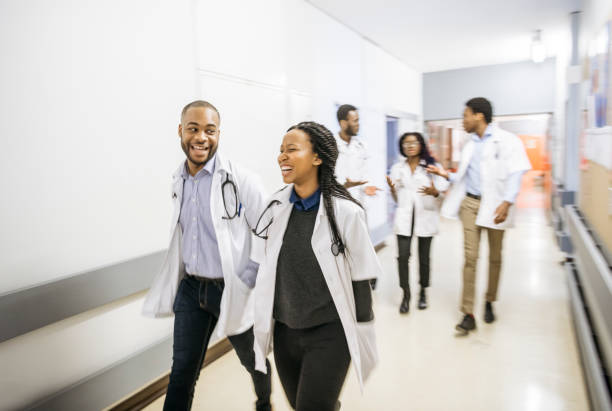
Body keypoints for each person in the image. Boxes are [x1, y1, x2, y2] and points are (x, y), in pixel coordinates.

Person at [142, 100, 272, 410]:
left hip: (231, 289)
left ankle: (264, 403)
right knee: (182, 373)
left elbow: (270, 230)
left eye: (209, 130)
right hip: (191, 289)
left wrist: (248, 276)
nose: (201, 137)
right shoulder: (179, 181)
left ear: (218, 134)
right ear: (181, 132)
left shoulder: (242, 179)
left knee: (254, 361)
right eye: (193, 129)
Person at [251, 121, 381, 411]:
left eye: (291, 149)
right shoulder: (275, 207)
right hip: (285, 333)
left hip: (330, 335)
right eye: (281, 151)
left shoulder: (346, 213)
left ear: (317, 157)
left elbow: (361, 280)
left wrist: (361, 336)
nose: (281, 157)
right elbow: (267, 269)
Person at [427, 97, 531, 335]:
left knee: (495, 257)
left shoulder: (507, 141)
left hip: (496, 206)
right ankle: (468, 313)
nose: (463, 120)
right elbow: (463, 176)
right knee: (470, 258)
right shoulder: (469, 144)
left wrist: (507, 201)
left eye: (465, 115)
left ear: (479, 116)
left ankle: (489, 300)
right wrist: (445, 174)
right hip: (470, 205)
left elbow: (516, 173)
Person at [386, 132, 449, 314]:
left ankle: (423, 292)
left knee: (424, 258)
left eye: (413, 142)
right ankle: (406, 294)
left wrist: (434, 192)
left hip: (425, 215)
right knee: (403, 257)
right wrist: (392, 190)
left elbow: (442, 192)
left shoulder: (432, 166)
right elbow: (397, 197)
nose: (410, 146)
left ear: (421, 144)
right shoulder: (397, 168)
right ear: (402, 147)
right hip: (405, 217)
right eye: (406, 143)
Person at [334, 104, 381, 288]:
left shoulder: (362, 146)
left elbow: (366, 174)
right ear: (343, 122)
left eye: (358, 120)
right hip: (338, 203)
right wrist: (344, 185)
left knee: (362, 243)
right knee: (341, 244)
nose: (358, 124)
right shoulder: (331, 145)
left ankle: (368, 275)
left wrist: (369, 186)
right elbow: (328, 176)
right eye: (355, 121)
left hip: (359, 203)